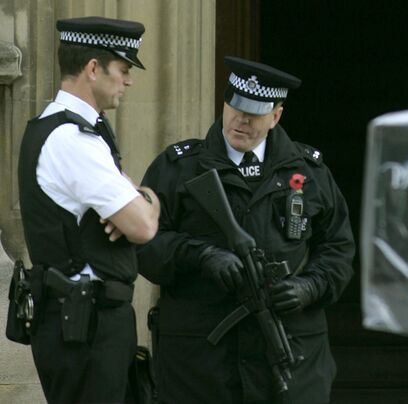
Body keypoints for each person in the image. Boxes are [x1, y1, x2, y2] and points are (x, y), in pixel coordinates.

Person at [137, 56, 355, 404]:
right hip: (201, 364)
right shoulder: (179, 168)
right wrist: (200, 255)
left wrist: (310, 286)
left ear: (276, 117)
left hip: (290, 356)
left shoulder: (309, 172)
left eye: (254, 113)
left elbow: (338, 249)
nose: (241, 119)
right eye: (235, 107)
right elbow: (143, 244)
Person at [17, 16, 160, 404]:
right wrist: (151, 199)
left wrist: (134, 199)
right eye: (123, 69)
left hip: (84, 322)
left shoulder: (66, 130)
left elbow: (128, 203)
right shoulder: (73, 140)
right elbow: (143, 226)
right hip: (85, 327)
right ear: (93, 68)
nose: (128, 81)